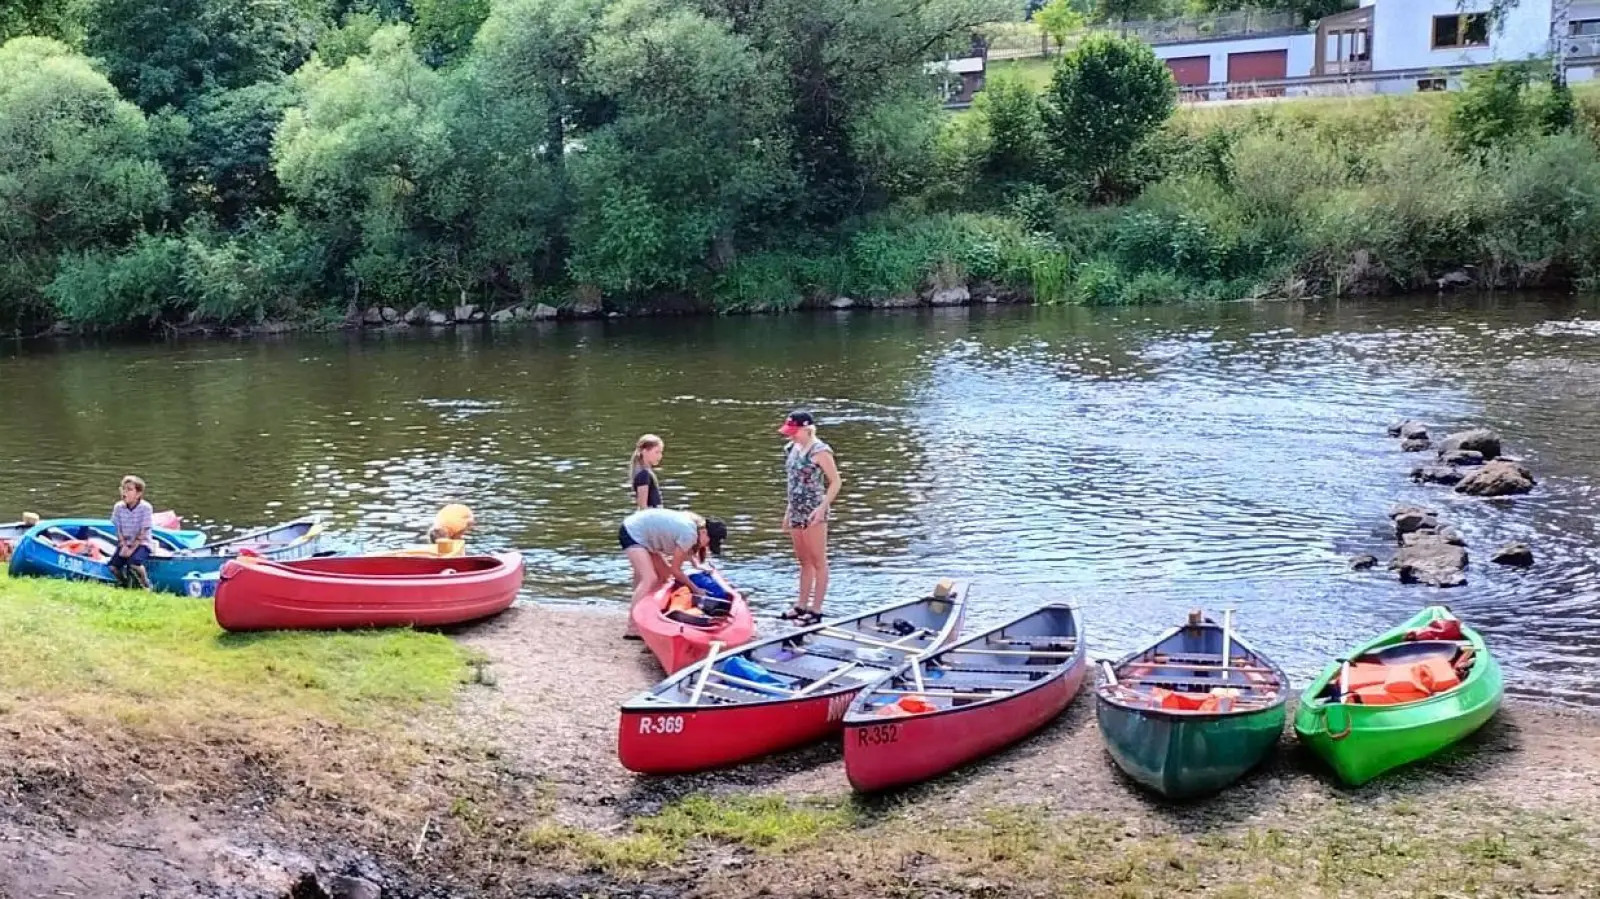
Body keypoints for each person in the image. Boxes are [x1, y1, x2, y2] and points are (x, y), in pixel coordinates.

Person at [618, 507, 727, 639]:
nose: (708, 546)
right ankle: (632, 627)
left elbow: (682, 553)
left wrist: (697, 565)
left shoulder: (696, 526)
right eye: (710, 542)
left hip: (644, 533)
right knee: (649, 578)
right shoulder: (690, 534)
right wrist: (696, 589)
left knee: (665, 577)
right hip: (632, 532)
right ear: (704, 533)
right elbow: (676, 570)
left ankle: (650, 614)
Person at [778, 410, 841, 626]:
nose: (791, 435)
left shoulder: (820, 451)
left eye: (795, 432)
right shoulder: (791, 449)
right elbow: (793, 483)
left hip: (814, 510)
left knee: (818, 560)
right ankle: (801, 604)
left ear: (807, 429)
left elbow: (835, 482)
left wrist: (823, 507)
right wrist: (788, 511)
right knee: (803, 560)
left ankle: (816, 609)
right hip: (796, 509)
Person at [109, 475, 154, 589]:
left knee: (133, 563)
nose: (125, 492)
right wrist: (123, 545)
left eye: (129, 490)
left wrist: (131, 549)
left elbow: (143, 532)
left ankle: (146, 585)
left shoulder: (146, 508)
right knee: (113, 567)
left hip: (142, 543)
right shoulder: (118, 507)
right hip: (126, 541)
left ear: (138, 494)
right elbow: (118, 529)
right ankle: (124, 584)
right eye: (123, 489)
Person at [629, 434, 665, 510]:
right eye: (657, 452)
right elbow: (643, 506)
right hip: (652, 516)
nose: (660, 456)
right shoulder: (643, 475)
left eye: (661, 452)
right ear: (644, 452)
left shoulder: (647, 473)